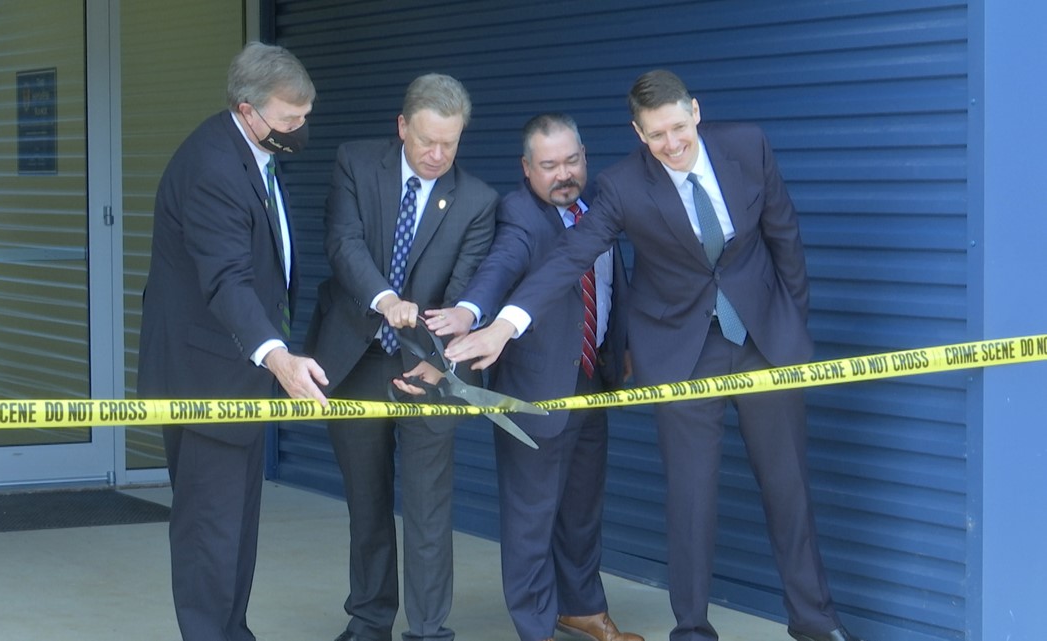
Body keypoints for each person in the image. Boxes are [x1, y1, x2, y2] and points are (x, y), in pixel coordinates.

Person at [444, 70, 864, 641]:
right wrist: (504, 327)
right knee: (691, 499)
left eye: (677, 127)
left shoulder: (747, 146)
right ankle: (691, 628)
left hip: (765, 345)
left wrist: (792, 327)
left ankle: (815, 621)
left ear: (695, 110)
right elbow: (570, 257)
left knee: (789, 486)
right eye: (656, 134)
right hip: (683, 354)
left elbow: (784, 238)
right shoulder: (621, 187)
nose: (671, 143)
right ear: (638, 133)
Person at [418, 113, 640, 641]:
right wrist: (473, 313)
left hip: (591, 380)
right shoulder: (519, 214)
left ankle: (582, 607)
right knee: (531, 520)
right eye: (549, 166)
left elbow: (610, 289)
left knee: (583, 510)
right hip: (533, 392)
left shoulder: (598, 210)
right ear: (526, 168)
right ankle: (535, 627)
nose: (563, 174)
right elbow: (499, 267)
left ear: (585, 155)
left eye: (572, 160)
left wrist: (622, 349)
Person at [137, 42, 328, 641]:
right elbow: (226, 280)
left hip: (235, 376)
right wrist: (277, 356)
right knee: (208, 536)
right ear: (248, 111)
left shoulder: (252, 153)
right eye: (289, 120)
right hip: (206, 378)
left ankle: (230, 632)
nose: (300, 130)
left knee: (235, 532)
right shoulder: (214, 167)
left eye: (305, 117)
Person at [304, 73, 498, 641]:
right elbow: (343, 244)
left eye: (451, 143)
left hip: (429, 369)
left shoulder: (479, 200)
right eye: (426, 141)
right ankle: (369, 623)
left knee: (429, 509)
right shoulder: (356, 164)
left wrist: (443, 361)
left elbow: (464, 291)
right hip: (357, 356)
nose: (438, 155)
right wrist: (385, 299)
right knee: (366, 503)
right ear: (402, 127)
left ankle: (429, 630)